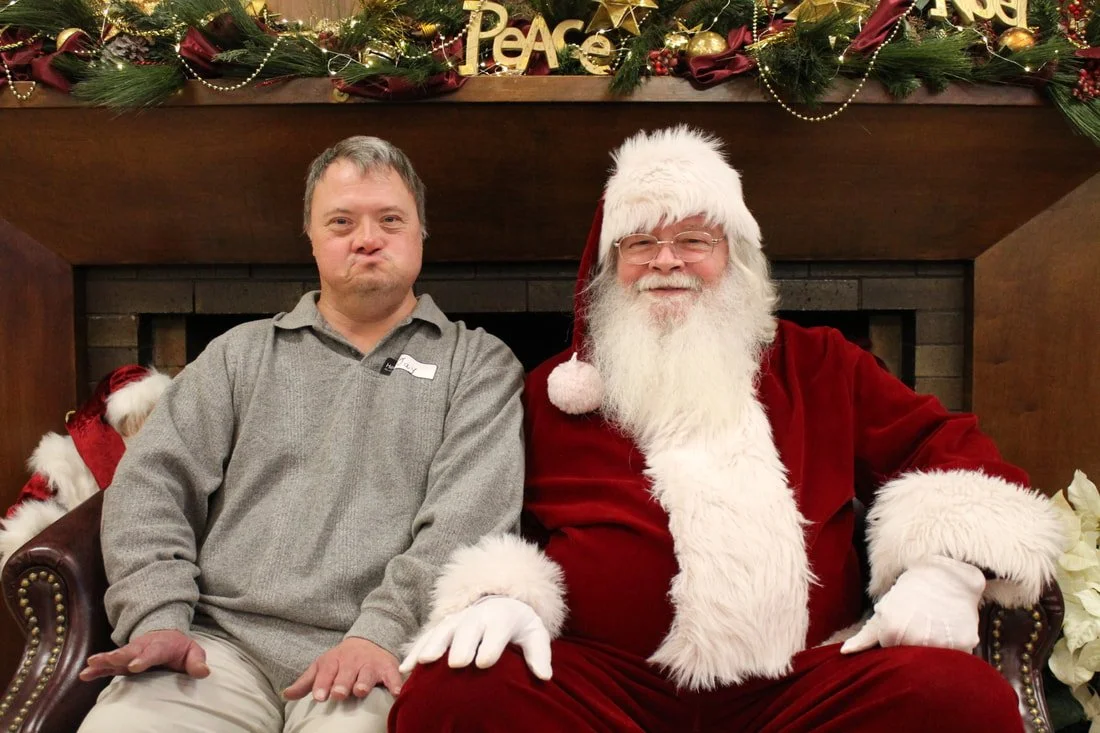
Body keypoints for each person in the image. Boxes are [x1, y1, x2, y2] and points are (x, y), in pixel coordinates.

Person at [391, 126, 1065, 732]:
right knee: (452, 694)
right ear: (609, 266)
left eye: (692, 240)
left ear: (733, 255)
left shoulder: (820, 362)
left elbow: (941, 444)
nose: (666, 261)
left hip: (800, 688)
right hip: (606, 692)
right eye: (641, 243)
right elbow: (492, 517)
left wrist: (945, 568)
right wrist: (501, 595)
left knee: (958, 696)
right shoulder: (554, 390)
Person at [76, 136, 525, 733]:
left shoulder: (479, 365)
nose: (367, 238)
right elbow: (150, 487)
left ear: (422, 232)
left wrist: (380, 636)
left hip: (378, 654)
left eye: (390, 219)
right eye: (342, 221)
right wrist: (157, 617)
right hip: (215, 648)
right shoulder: (238, 355)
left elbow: (469, 524)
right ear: (311, 237)